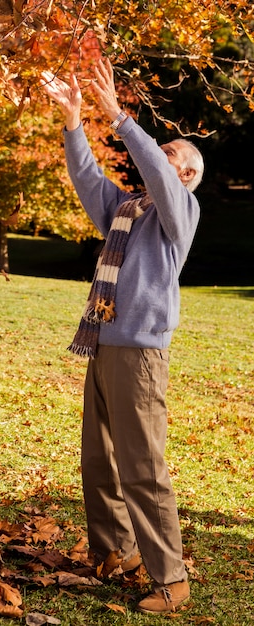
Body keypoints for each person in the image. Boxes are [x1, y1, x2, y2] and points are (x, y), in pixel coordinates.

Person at [41, 58, 204, 614]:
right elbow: (88, 178)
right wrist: (73, 123)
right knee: (99, 461)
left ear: (183, 175)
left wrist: (119, 117)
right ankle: (118, 552)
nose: (160, 157)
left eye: (171, 153)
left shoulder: (179, 212)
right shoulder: (128, 210)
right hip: (106, 344)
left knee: (141, 468)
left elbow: (155, 170)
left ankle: (171, 579)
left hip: (141, 356)